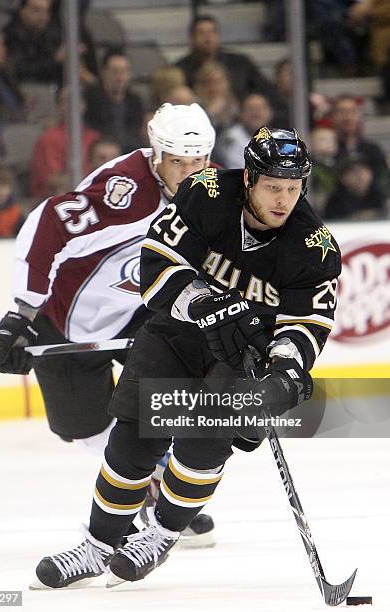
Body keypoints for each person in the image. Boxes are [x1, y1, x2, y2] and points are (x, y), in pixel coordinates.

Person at [23, 127, 341, 589]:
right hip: (175, 335)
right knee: (132, 440)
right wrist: (203, 305)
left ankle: (163, 534)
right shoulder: (205, 193)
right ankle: (96, 545)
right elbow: (156, 262)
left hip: (239, 358)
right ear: (249, 177)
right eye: (273, 186)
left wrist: (281, 378)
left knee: (201, 448)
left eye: (293, 189)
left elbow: (305, 325)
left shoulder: (313, 247)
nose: (283, 200)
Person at [0, 103, 217, 552]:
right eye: (178, 162)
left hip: (140, 312)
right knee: (85, 426)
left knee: (163, 399)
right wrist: (23, 314)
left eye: (199, 162)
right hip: (67, 319)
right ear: (157, 154)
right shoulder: (125, 193)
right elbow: (46, 225)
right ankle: (151, 475)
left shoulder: (213, 192)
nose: (190, 173)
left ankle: (160, 487)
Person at [175, 15, 277, 102]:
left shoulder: (240, 63)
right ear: (192, 38)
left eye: (212, 32)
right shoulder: (180, 69)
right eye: (201, 33)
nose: (208, 38)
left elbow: (266, 91)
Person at [30, 86, 102, 199]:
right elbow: (54, 182)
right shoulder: (48, 140)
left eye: (77, 100)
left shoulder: (95, 137)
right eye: (67, 101)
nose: (73, 105)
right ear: (59, 106)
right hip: (57, 204)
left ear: (84, 105)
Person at [84, 49, 144, 153]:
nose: (120, 76)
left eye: (125, 71)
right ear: (103, 73)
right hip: (100, 154)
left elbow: (136, 134)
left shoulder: (135, 101)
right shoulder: (89, 99)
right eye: (115, 71)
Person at [215, 93, 274, 167]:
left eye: (260, 108)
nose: (256, 113)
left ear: (270, 113)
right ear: (241, 113)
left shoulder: (278, 138)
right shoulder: (230, 138)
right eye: (251, 109)